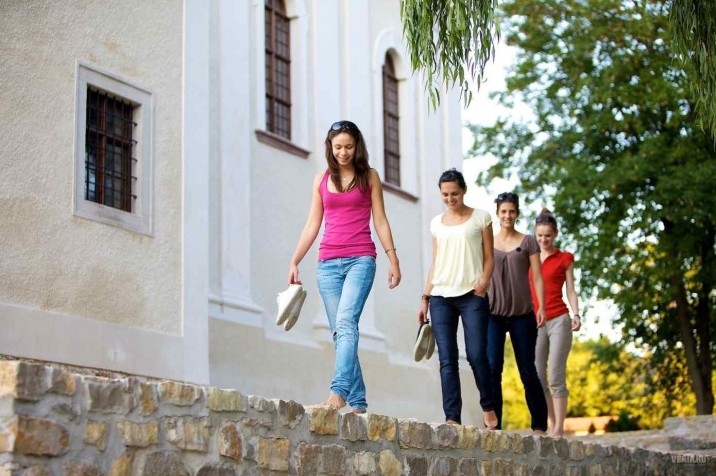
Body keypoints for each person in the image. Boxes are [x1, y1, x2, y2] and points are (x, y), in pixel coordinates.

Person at [287, 120, 401, 414]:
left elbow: (380, 220)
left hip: (361, 259)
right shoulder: (320, 179)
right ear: (330, 147)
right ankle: (359, 401)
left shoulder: (369, 177)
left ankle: (338, 392)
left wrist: (393, 259)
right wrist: (295, 260)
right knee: (340, 331)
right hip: (327, 264)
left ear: (357, 146)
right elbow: (312, 223)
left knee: (347, 323)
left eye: (348, 146)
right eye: (338, 147)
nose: (343, 152)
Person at [417, 169, 498, 428]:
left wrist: (484, 281)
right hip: (441, 296)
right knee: (447, 358)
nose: (450, 199)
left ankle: (488, 405)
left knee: (476, 354)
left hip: (472, 296)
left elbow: (489, 257)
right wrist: (425, 297)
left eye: (454, 193)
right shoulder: (436, 224)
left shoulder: (481, 218)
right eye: (445, 194)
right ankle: (452, 417)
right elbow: (436, 262)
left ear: (464, 190)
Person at [487, 192, 548, 433]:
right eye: (503, 211)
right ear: (497, 213)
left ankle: (539, 426)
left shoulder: (529, 241)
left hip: (523, 314)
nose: (507, 215)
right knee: (493, 369)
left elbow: (538, 277)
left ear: (517, 213)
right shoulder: (487, 242)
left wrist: (541, 306)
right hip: (493, 314)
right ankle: (494, 427)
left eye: (511, 211)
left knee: (527, 370)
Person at [529, 209, 581, 437]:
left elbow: (570, 289)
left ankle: (559, 429)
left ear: (555, 234)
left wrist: (576, 314)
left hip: (559, 319)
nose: (543, 240)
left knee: (555, 374)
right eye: (539, 235)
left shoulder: (564, 258)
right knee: (538, 376)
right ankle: (551, 423)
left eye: (547, 236)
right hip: (536, 322)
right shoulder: (529, 258)